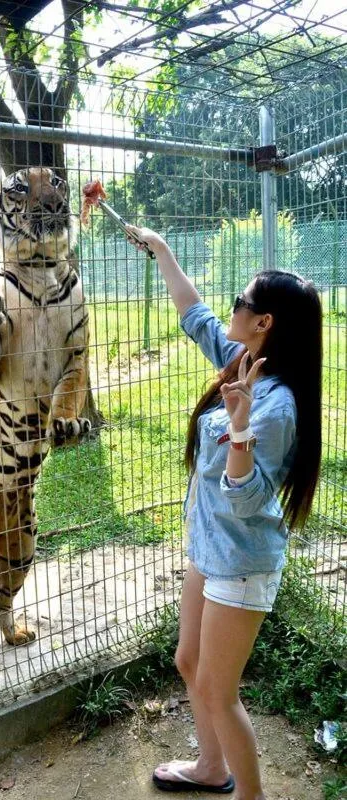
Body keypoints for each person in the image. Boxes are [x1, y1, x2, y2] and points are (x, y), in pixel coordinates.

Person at [125, 225, 323, 799]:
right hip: (208, 549)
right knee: (191, 662)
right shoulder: (242, 358)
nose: (230, 307)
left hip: (242, 561)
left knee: (219, 691)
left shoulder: (278, 404)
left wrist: (238, 426)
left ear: (265, 323)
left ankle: (249, 795)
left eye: (242, 301)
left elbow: (246, 498)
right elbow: (195, 315)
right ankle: (212, 769)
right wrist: (161, 250)